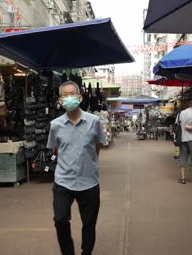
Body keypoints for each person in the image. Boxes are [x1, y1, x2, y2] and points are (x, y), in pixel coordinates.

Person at [47, 81, 107, 255]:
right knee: (60, 219)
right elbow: (56, 150)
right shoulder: (55, 125)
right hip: (63, 182)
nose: (69, 97)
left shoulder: (94, 121)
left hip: (89, 181)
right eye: (65, 95)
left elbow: (97, 147)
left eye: (72, 93)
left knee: (89, 223)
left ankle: (86, 252)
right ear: (60, 100)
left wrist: (88, 164)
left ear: (80, 97)